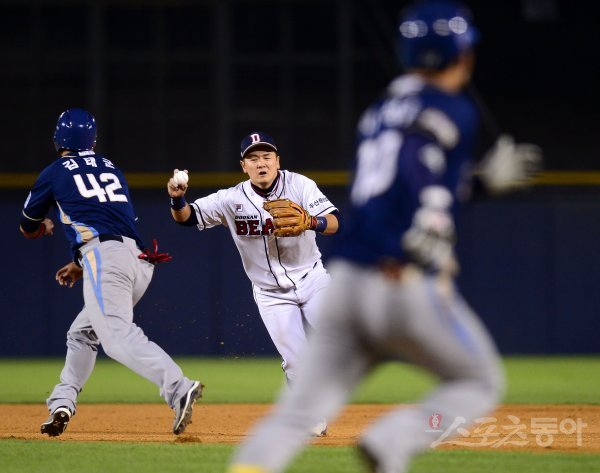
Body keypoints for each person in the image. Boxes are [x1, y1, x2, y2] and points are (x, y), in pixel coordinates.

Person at [227, 1, 541, 472]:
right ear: (462, 53)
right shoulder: (451, 106)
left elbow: (399, 173)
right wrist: (435, 215)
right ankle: (393, 438)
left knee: (297, 411)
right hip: (399, 279)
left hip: (345, 282)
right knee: (478, 383)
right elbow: (419, 167)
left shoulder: (381, 108)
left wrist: (473, 186)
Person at [20, 108, 202, 437]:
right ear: (92, 140)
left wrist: (45, 225)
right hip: (137, 258)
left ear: (58, 139)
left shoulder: (55, 171)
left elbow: (27, 225)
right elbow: (111, 221)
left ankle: (179, 388)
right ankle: (62, 403)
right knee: (82, 333)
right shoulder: (110, 167)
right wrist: (81, 263)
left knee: (115, 338)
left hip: (106, 257)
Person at [167, 131, 341, 436]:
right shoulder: (230, 199)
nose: (261, 163)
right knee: (295, 361)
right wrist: (177, 197)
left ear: (277, 161)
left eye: (266, 156)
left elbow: (335, 222)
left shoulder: (300, 185)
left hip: (312, 279)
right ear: (243, 166)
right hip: (271, 294)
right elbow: (186, 217)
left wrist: (313, 222)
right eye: (254, 158)